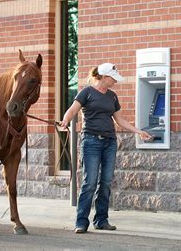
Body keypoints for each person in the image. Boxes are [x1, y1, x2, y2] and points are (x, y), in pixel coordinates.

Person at [60, 62, 152, 234]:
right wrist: (65, 120)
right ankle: (81, 222)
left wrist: (138, 131)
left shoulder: (112, 96)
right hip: (91, 141)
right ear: (104, 77)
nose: (115, 82)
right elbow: (72, 110)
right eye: (113, 78)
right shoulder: (86, 92)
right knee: (90, 183)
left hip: (109, 142)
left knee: (106, 182)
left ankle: (101, 220)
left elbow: (120, 120)